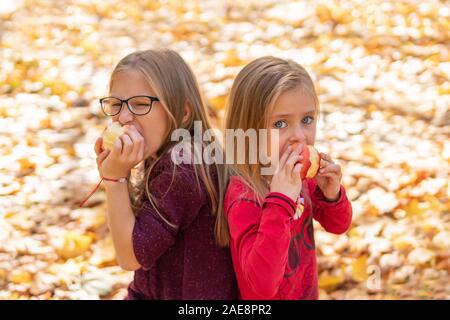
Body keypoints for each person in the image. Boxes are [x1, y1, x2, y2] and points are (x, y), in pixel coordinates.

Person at [93, 49, 237, 299]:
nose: (124, 117)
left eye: (140, 104)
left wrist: (115, 180)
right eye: (116, 104)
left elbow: (130, 257)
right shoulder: (183, 154)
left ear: (183, 113)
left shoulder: (183, 170)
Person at [223, 56, 352, 299]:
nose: (299, 136)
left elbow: (339, 225)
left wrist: (331, 194)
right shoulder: (245, 197)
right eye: (280, 123)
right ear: (247, 131)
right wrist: (280, 201)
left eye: (307, 120)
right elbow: (260, 288)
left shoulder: (300, 177)